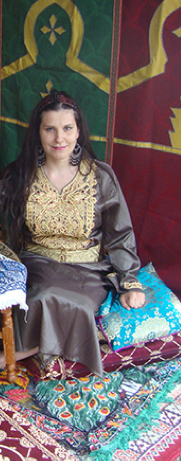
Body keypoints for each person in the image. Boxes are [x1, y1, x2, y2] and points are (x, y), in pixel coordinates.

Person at [0, 91, 145, 375]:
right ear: (37, 133)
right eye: (50, 129)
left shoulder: (101, 176)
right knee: (39, 296)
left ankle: (16, 354)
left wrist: (129, 281)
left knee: (74, 303)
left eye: (67, 128)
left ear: (78, 131)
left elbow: (120, 234)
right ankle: (32, 350)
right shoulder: (19, 175)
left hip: (89, 269)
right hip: (37, 264)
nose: (59, 139)